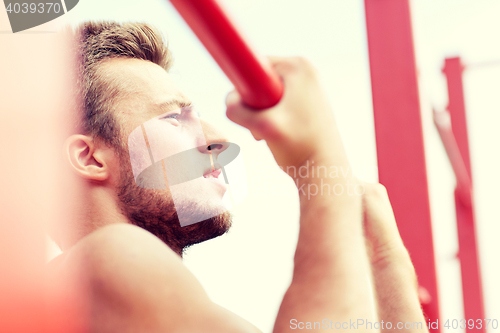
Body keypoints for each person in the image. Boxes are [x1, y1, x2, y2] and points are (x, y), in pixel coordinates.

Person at [48, 21, 428, 332]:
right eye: (174, 118)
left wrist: (386, 259)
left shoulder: (145, 304)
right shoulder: (105, 260)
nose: (217, 138)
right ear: (89, 157)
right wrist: (319, 161)